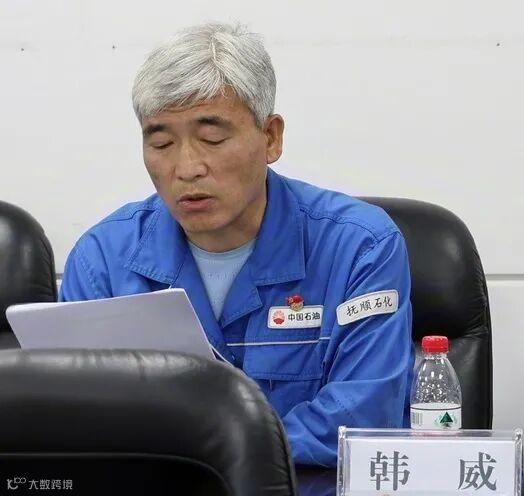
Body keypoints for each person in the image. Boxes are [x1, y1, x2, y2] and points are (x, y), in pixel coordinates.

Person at [60, 22, 414, 467]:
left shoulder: (359, 247)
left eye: (212, 139)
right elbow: (74, 424)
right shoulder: (102, 261)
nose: (187, 168)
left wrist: (211, 451)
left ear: (271, 137)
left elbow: (363, 420)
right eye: (162, 143)